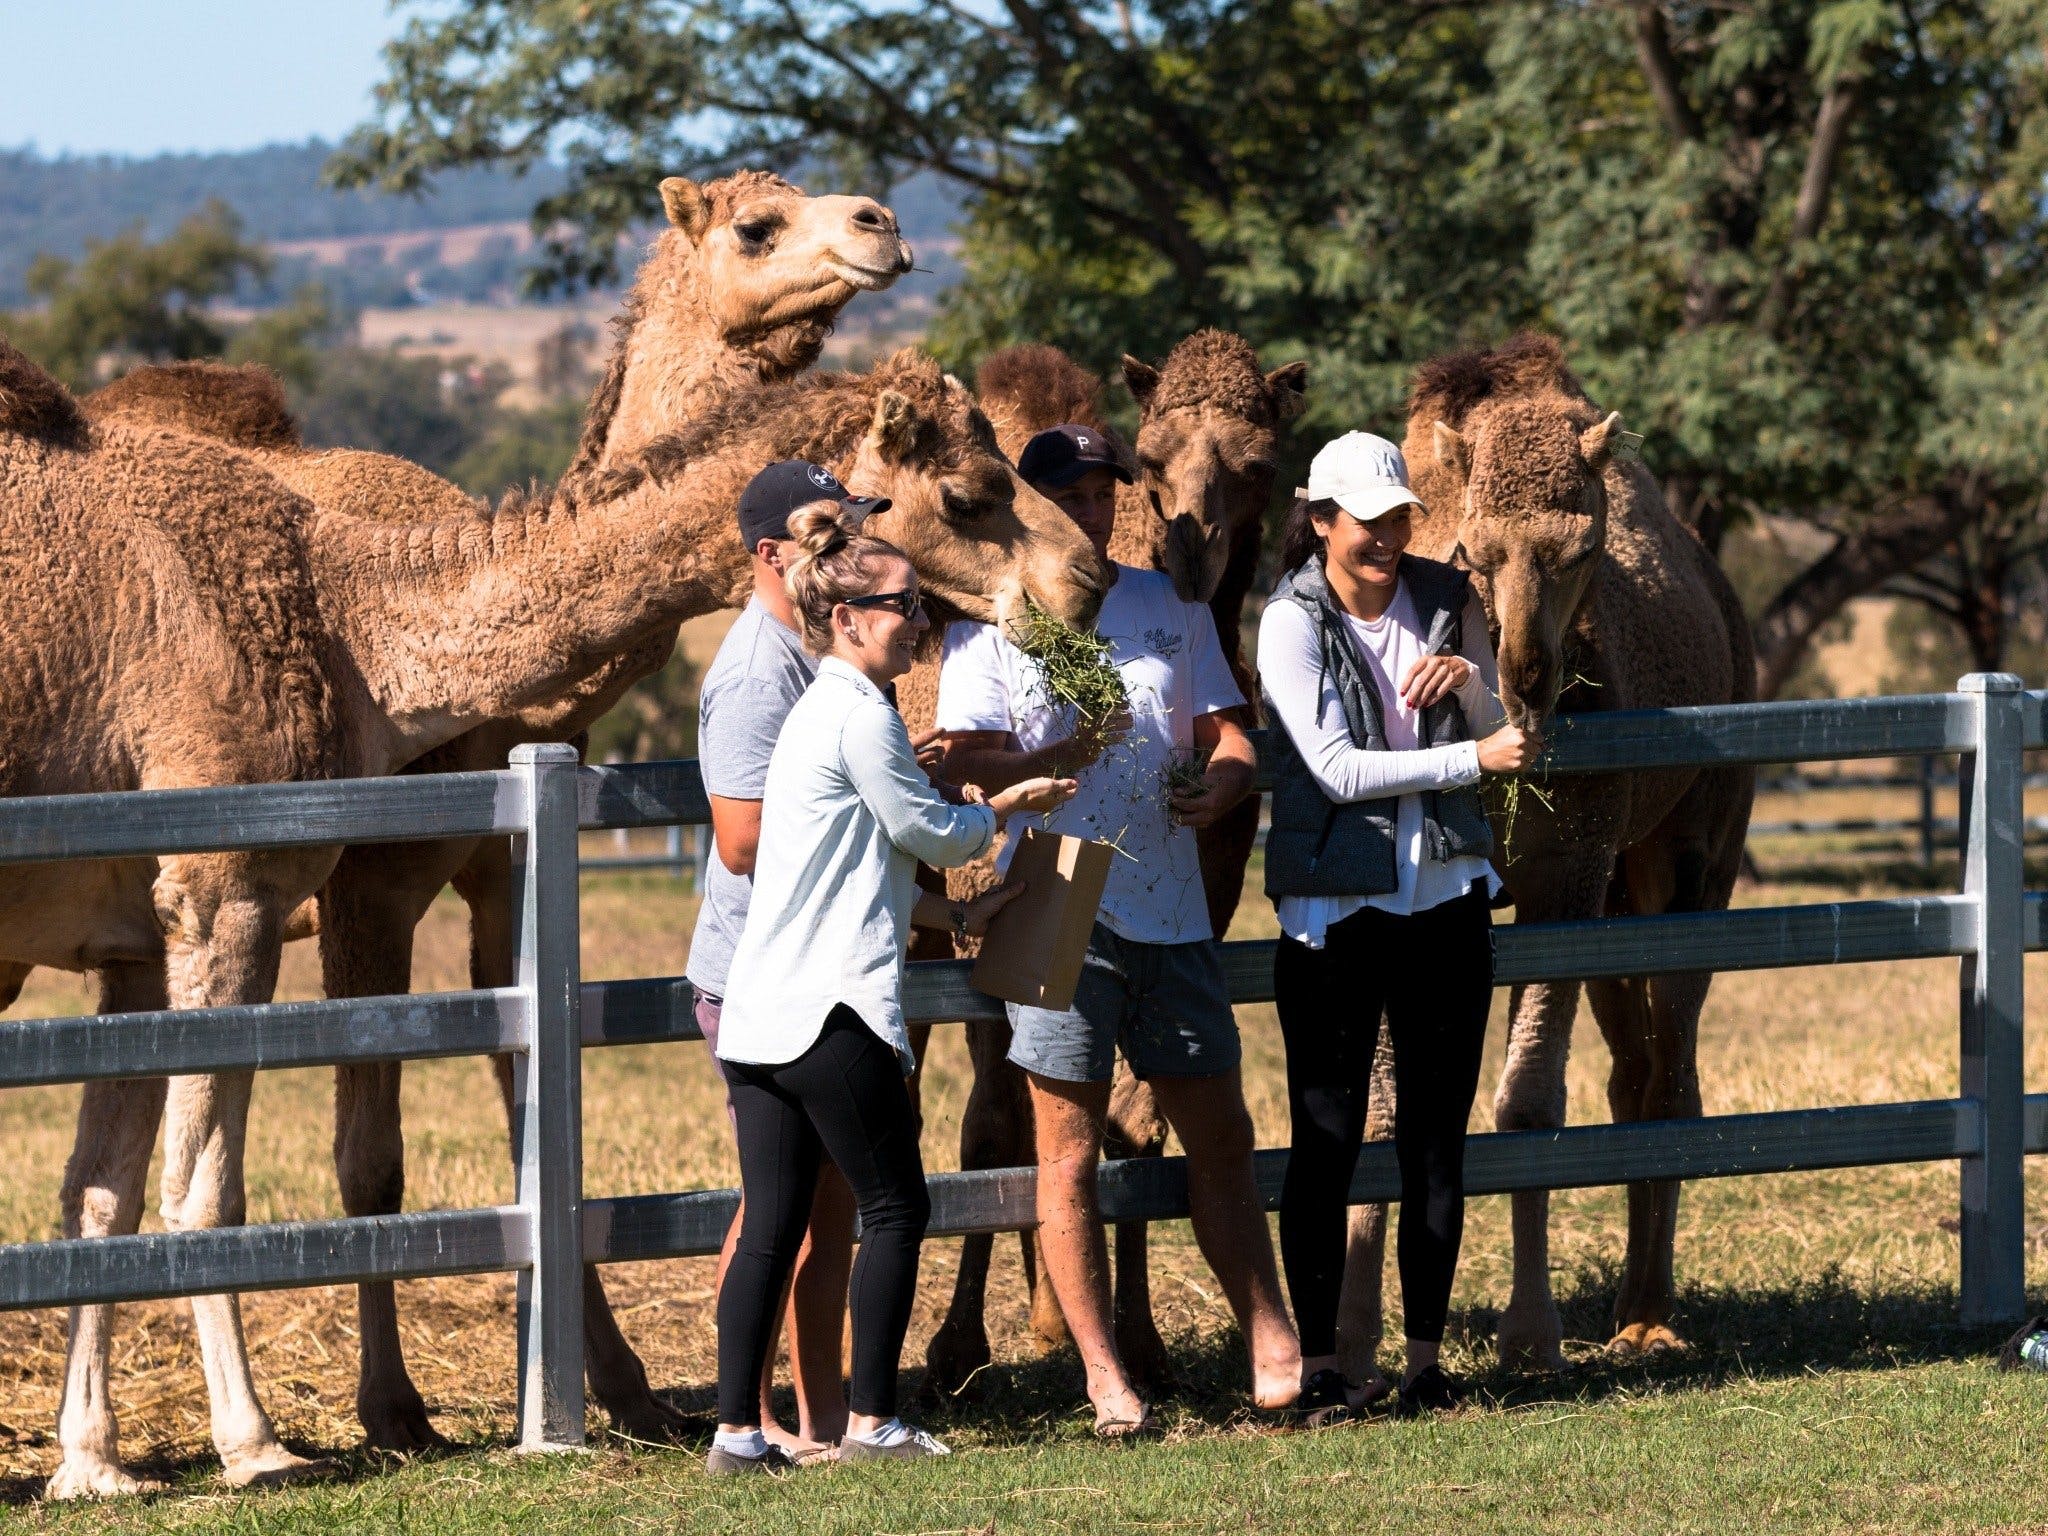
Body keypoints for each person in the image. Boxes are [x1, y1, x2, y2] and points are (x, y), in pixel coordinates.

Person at [933, 423, 1303, 1435]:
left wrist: (1223, 784)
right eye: (1069, 496)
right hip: (1052, 898)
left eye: (1101, 494)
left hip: (1167, 902)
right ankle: (1102, 1375)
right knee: (1065, 1152)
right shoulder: (988, 626)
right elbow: (964, 767)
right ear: (1035, 506)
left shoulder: (1164, 608)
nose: (1089, 512)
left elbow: (1227, 732)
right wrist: (1059, 749)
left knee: (1217, 1132)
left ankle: (1267, 1330)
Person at [708, 505, 1077, 1474]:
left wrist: (956, 920)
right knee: (895, 1209)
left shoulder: (813, 716)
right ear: (845, 617)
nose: (918, 620)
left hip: (758, 1018)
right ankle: (874, 1422)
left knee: (770, 1227)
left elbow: (847, 866)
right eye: (900, 605)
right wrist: (1006, 803)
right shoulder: (861, 713)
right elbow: (934, 837)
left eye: (918, 603)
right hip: (832, 1012)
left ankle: (735, 1435)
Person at [1257, 431, 1539, 1419]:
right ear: (1321, 520)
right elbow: (1333, 771)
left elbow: (1503, 716)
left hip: (1444, 901)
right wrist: (1467, 761)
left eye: (1396, 520)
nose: (1384, 539)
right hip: (1333, 914)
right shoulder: (1287, 623)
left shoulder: (1443, 597)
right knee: (1325, 1138)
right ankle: (1326, 1367)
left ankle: (1423, 1362)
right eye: (1365, 522)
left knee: (1433, 1142)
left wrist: (1463, 683)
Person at [686, 459, 886, 1460]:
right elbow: (741, 837)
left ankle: (813, 1418)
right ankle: (745, 1414)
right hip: (760, 972)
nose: (848, 548)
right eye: (830, 533)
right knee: (779, 1204)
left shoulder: (810, 648)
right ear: (772, 554)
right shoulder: (755, 669)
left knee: (825, 1200)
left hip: (808, 964)